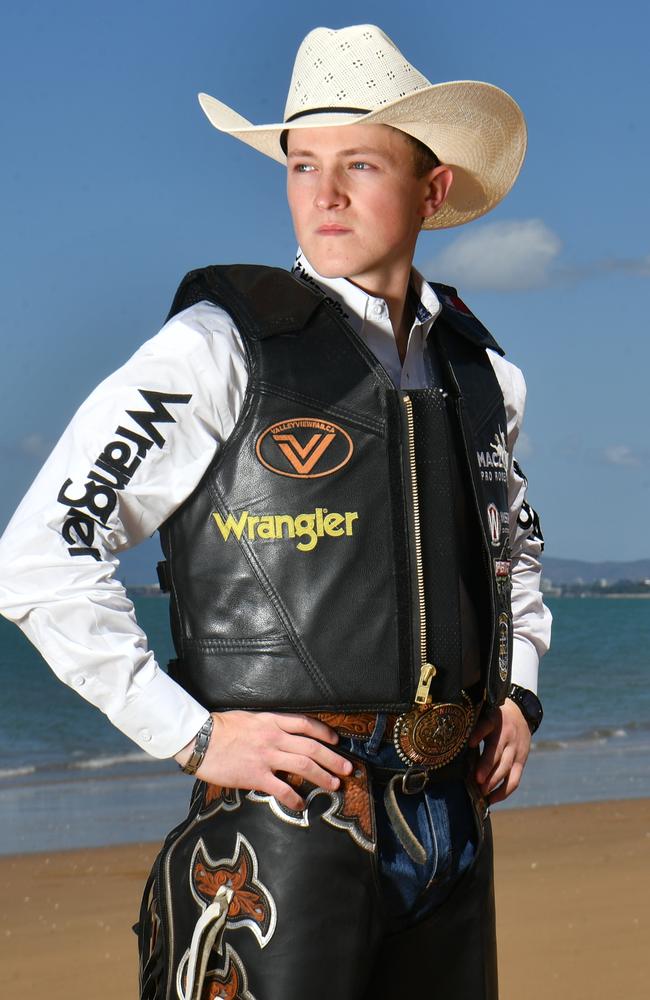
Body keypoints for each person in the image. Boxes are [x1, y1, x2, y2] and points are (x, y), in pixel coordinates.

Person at [0, 23, 550, 1000]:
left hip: (452, 819)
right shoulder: (215, 349)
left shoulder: (482, 372)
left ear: (430, 191)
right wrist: (193, 733)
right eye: (301, 165)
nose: (323, 194)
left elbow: (509, 549)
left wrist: (517, 691)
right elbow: (38, 558)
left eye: (359, 165)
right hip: (290, 816)